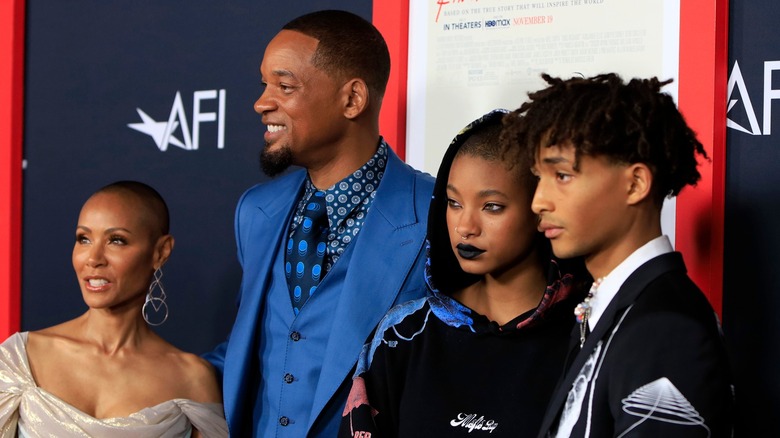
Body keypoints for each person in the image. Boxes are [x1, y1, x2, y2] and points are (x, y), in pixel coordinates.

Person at [202, 9, 434, 437]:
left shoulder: (437, 213)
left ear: (352, 99)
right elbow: (255, 352)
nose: (261, 102)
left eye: (285, 86)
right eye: (264, 84)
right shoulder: (255, 211)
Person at [501, 73, 734, 437]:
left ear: (635, 183)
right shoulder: (614, 304)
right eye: (539, 178)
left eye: (562, 175)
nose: (538, 201)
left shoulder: (664, 330)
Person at [338, 110, 589, 437]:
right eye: (453, 202)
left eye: (492, 206)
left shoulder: (587, 334)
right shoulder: (403, 334)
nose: (465, 227)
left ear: (542, 208)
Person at [0, 180, 227, 437]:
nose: (93, 259)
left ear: (161, 252)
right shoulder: (21, 359)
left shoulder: (191, 379)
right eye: (83, 239)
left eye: (116, 241)